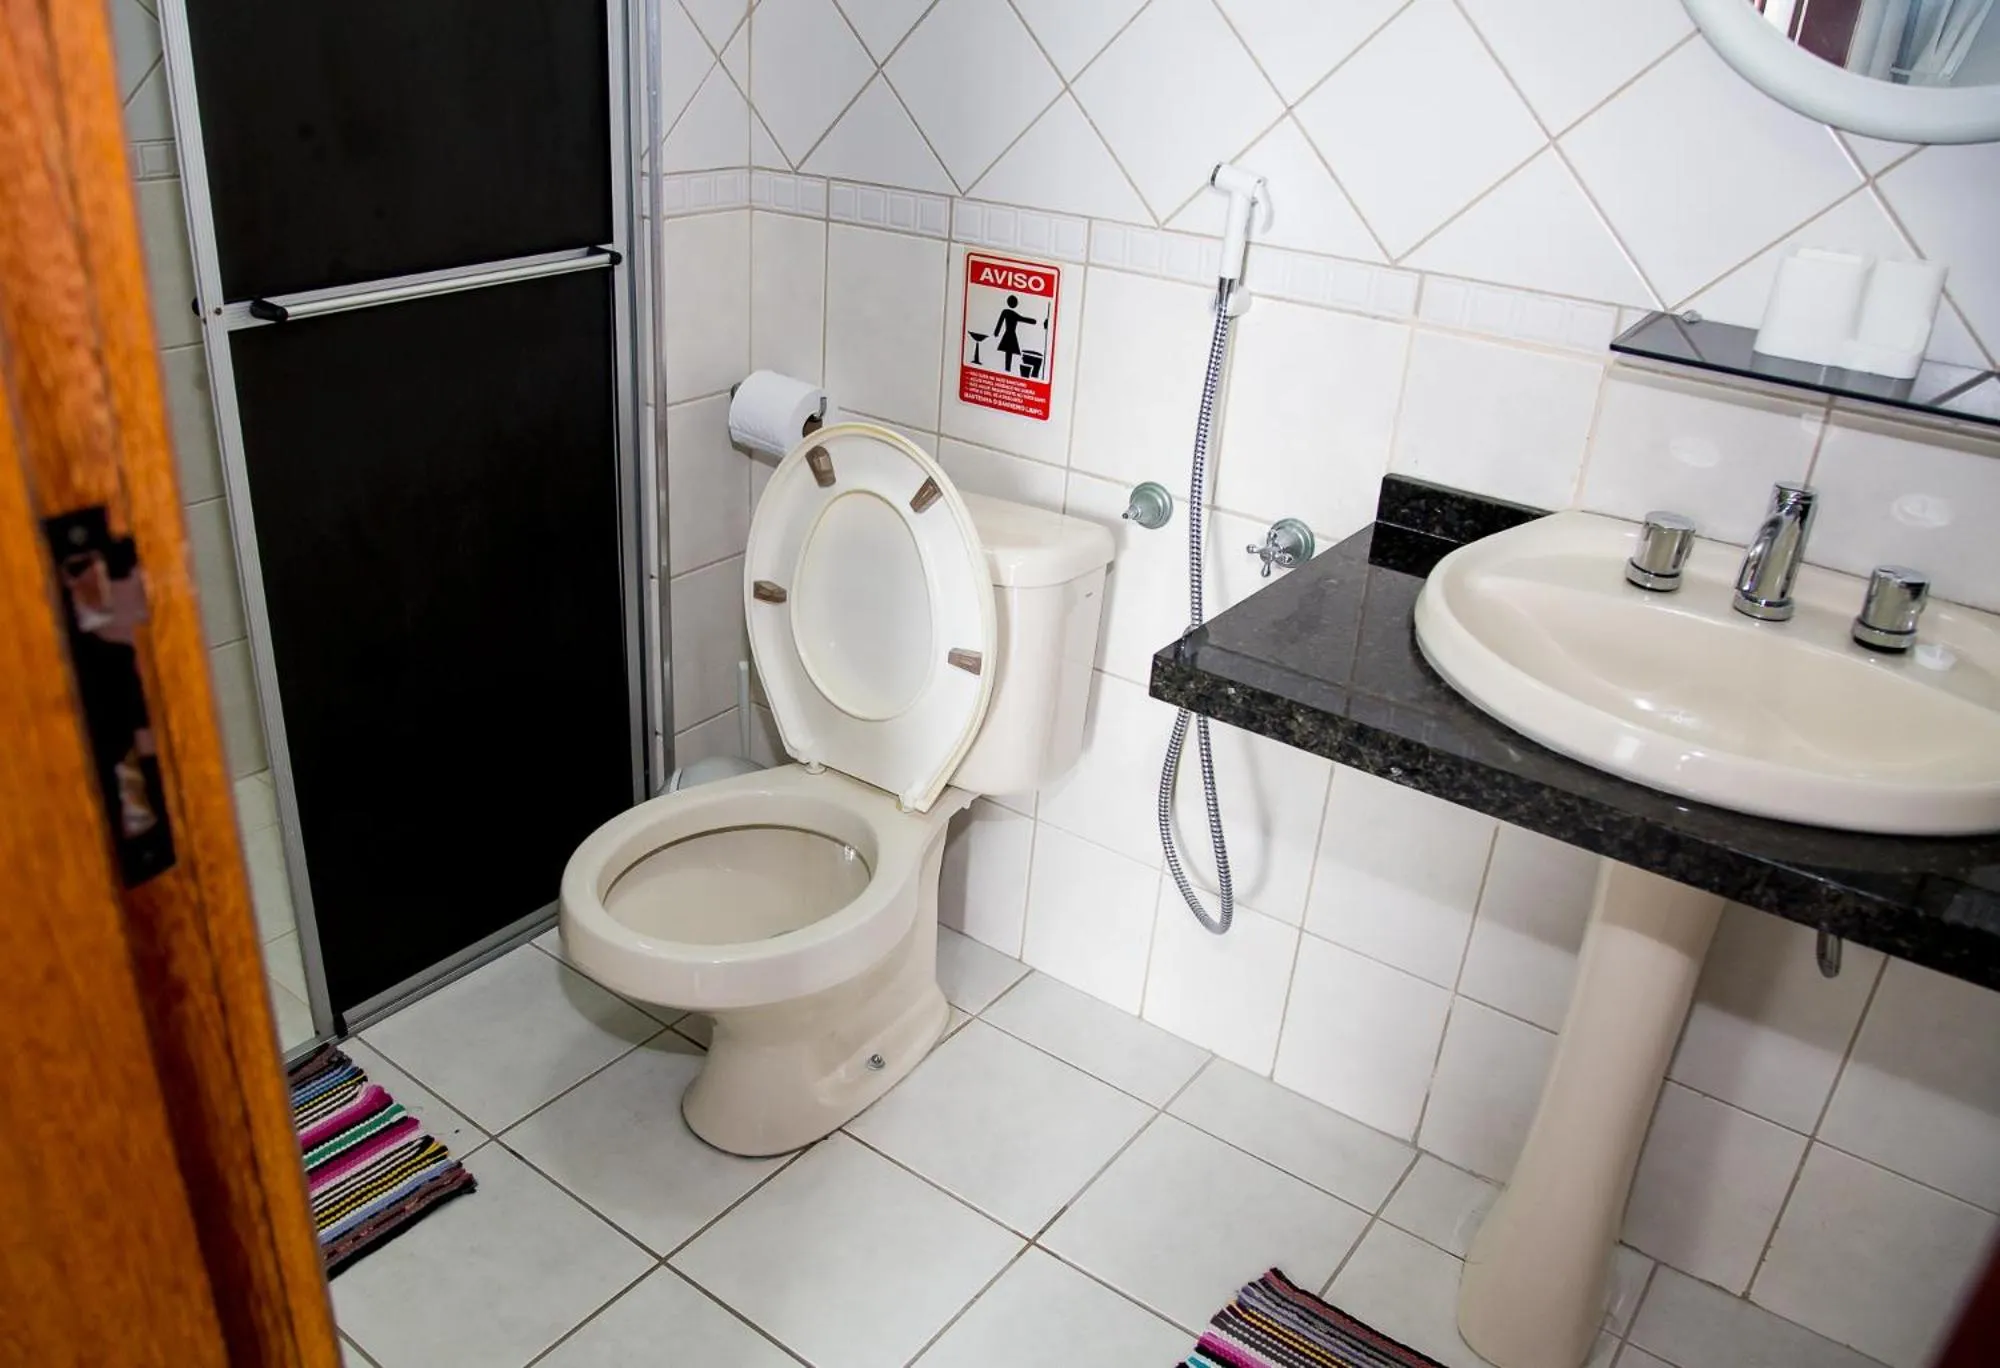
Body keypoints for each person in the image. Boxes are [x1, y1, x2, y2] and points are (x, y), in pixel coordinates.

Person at [989, 295, 1038, 375]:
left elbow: (1001, 322)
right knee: (1009, 353)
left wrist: (996, 332)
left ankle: (1007, 369)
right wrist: (996, 332)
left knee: (1009, 353)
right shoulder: (1009, 313)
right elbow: (1001, 322)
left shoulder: (1006, 312)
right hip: (1010, 335)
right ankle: (1007, 369)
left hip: (1009, 335)